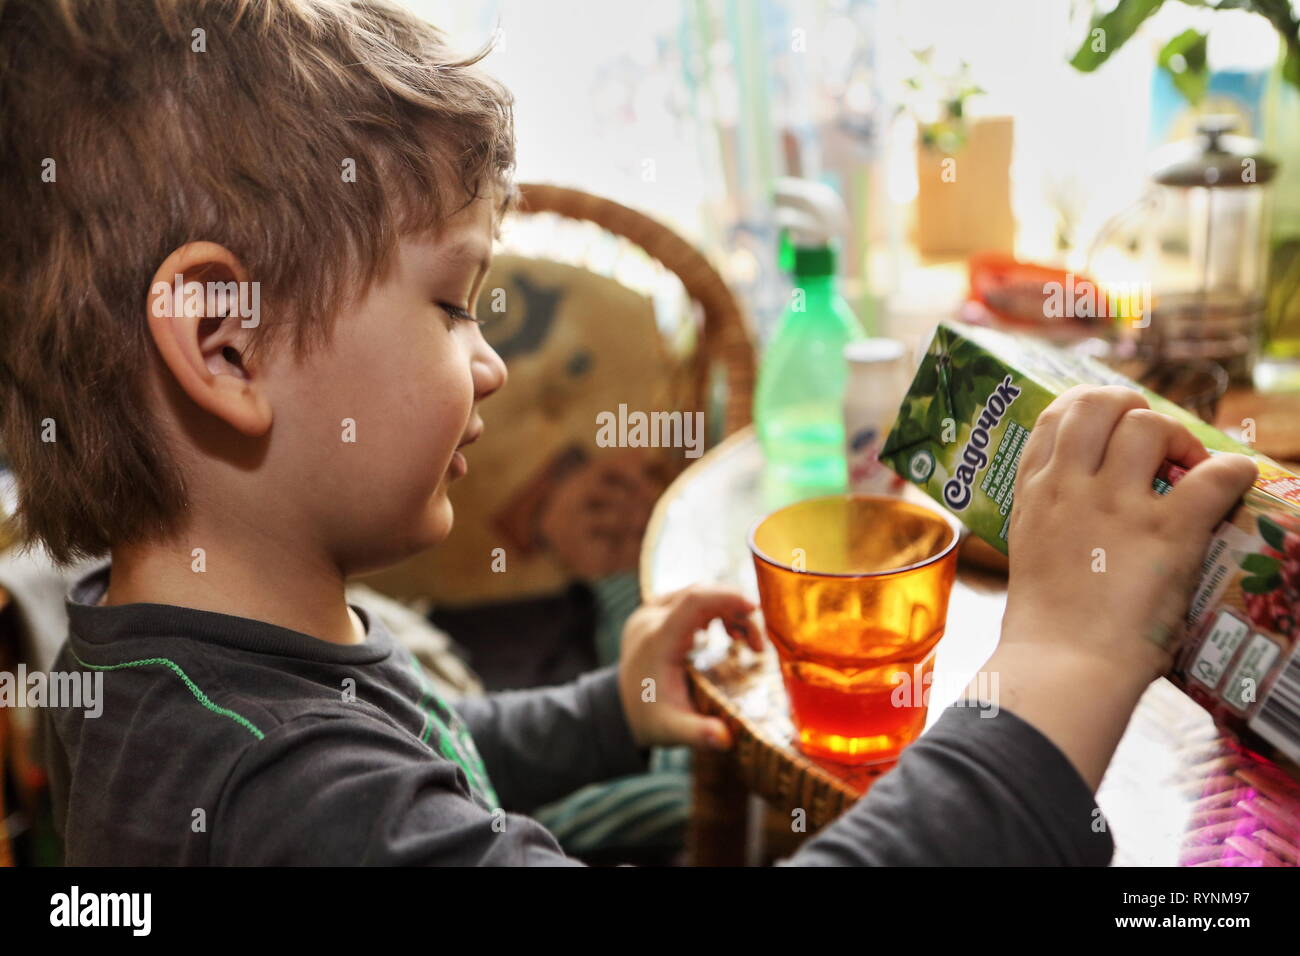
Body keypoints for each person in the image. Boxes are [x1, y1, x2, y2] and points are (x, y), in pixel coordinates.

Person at [2, 0, 1256, 866]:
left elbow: (425, 752)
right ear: (225, 344)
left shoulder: (180, 659)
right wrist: (1055, 669)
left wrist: (611, 707)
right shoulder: (264, 789)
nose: (487, 362)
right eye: (449, 304)